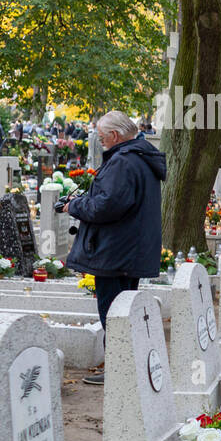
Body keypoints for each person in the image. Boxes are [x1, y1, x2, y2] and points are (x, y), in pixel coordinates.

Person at [61, 111, 166, 385]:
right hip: (129, 250)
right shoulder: (139, 158)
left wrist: (74, 206)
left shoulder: (123, 161)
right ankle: (127, 367)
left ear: (115, 136)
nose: (100, 140)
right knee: (124, 311)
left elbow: (107, 206)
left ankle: (119, 372)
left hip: (115, 252)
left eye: (102, 136)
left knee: (114, 315)